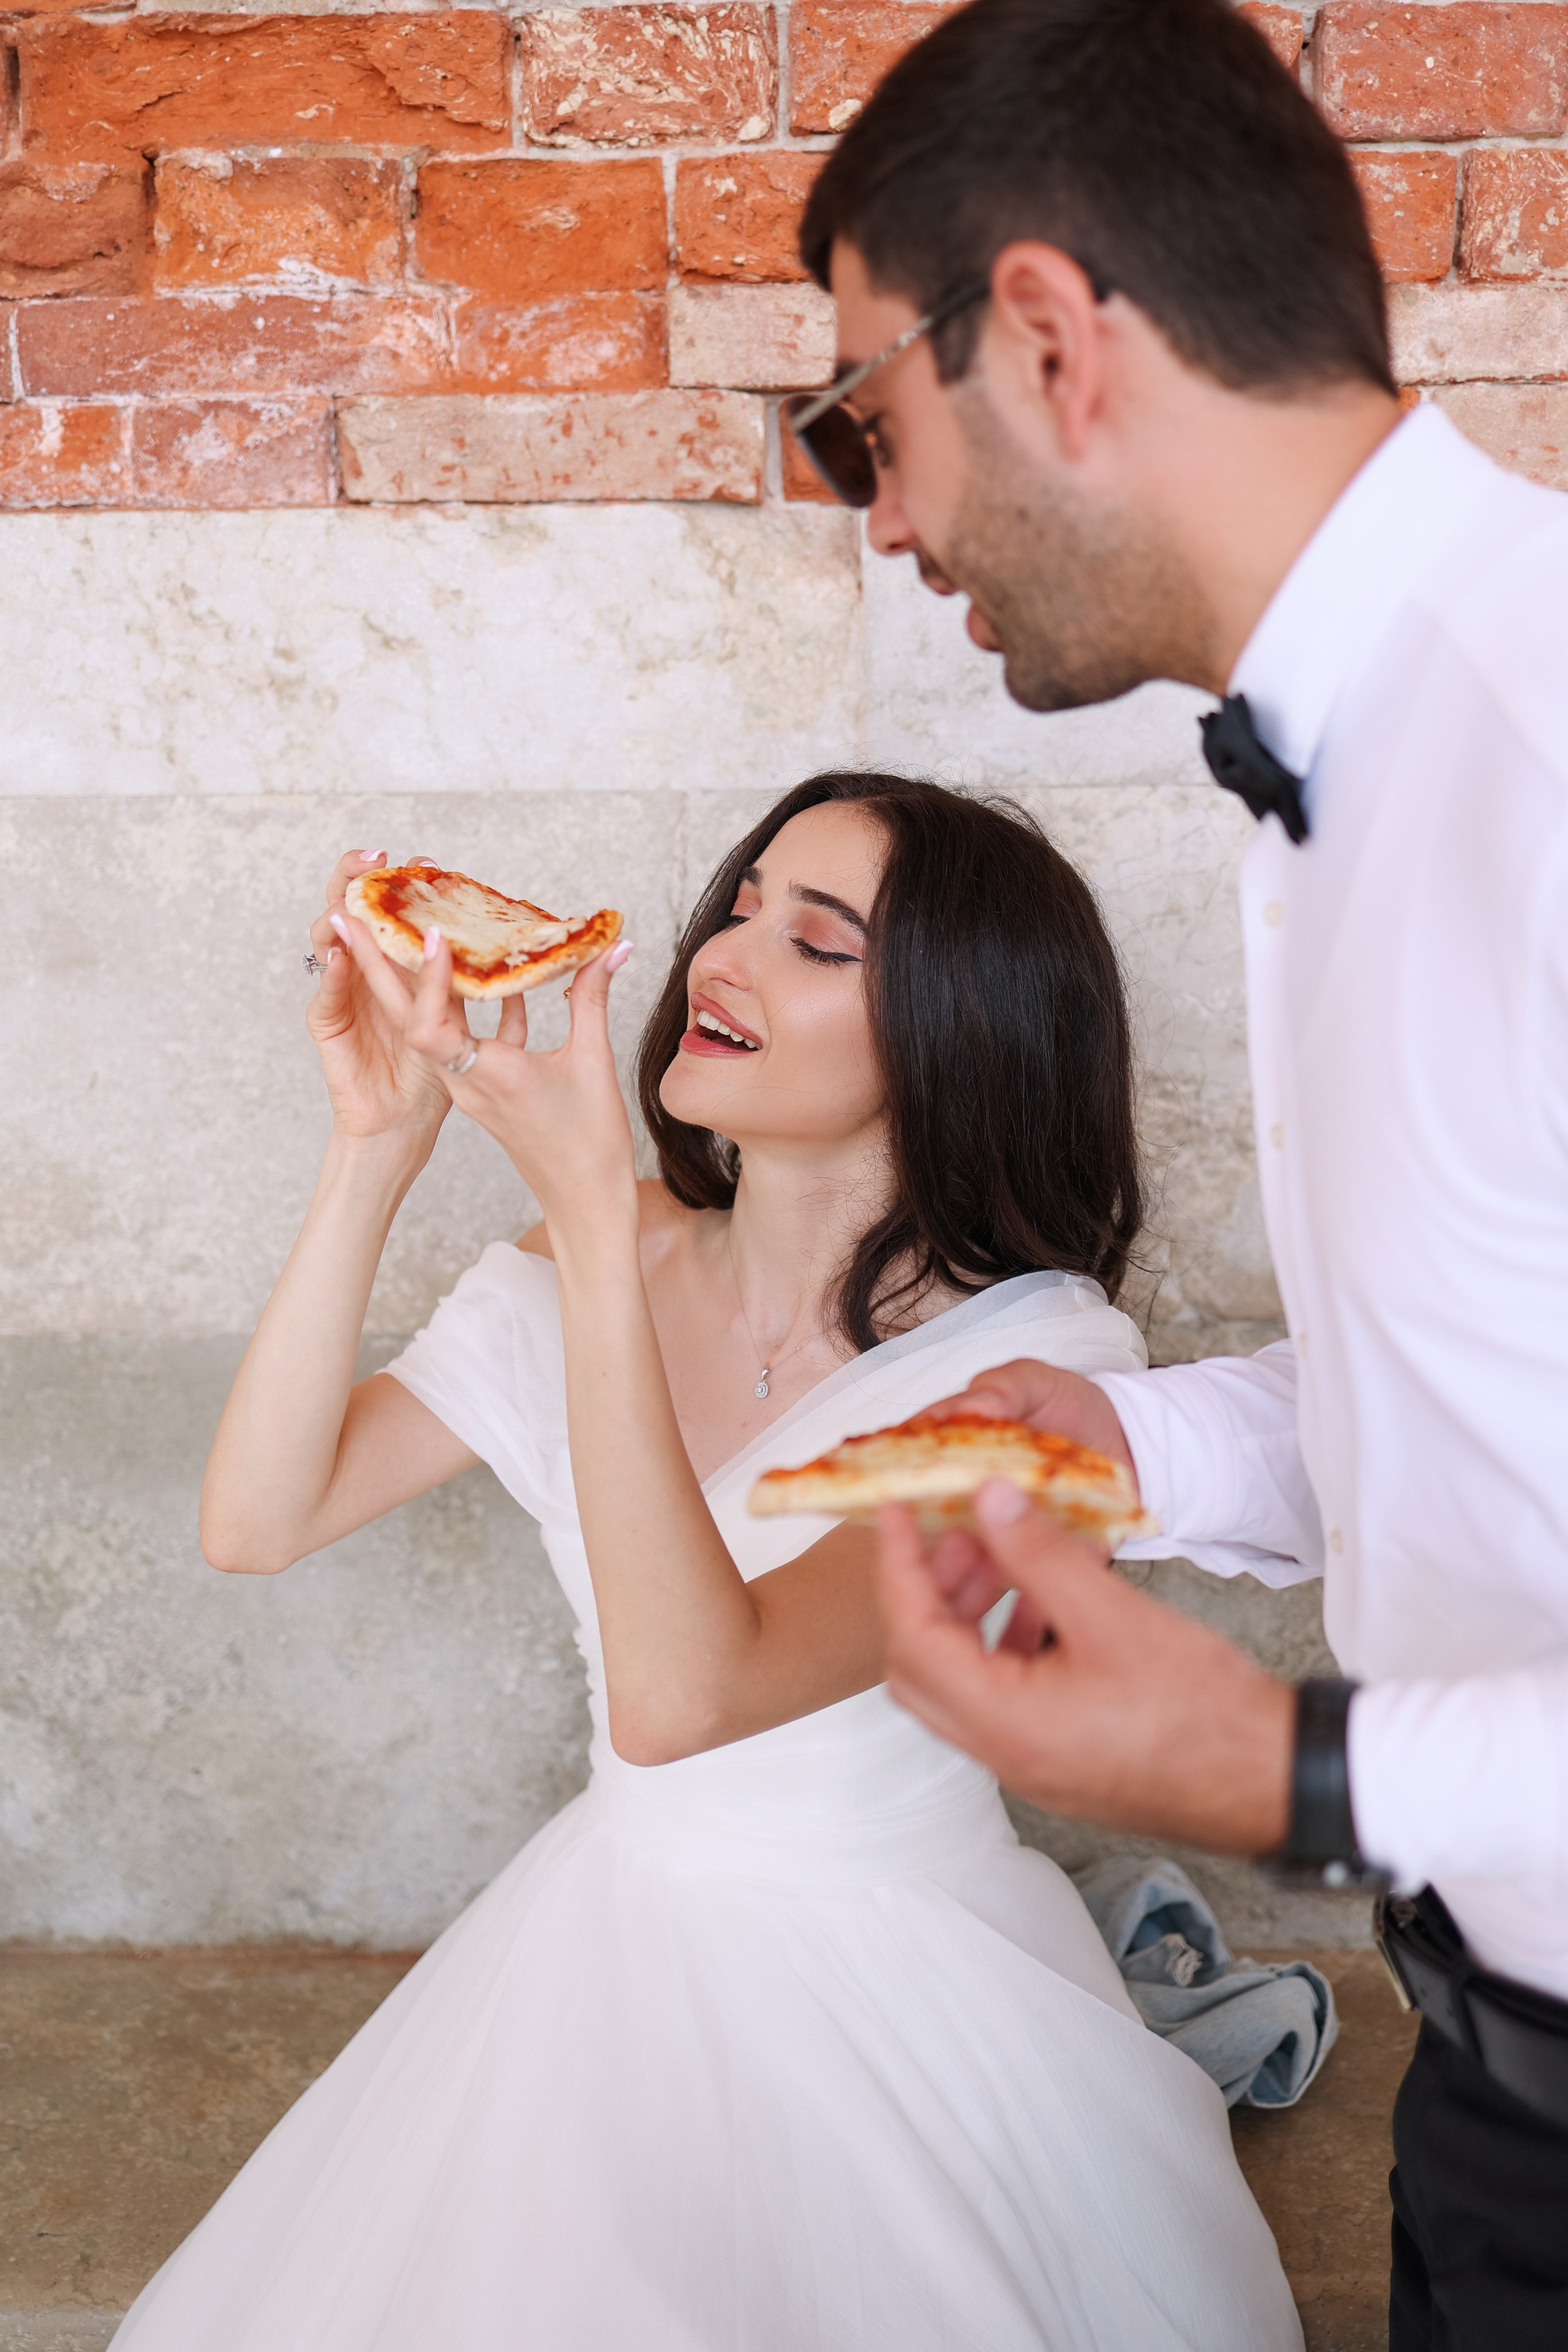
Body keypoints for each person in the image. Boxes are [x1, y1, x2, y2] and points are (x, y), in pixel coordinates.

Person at [110, 774, 1302, 2351]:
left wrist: (596, 1218)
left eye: (816, 944)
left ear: (958, 1031)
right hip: (593, 1933)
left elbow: (686, 1693)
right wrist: (373, 1147)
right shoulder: (585, 1262)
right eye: (738, 906)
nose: (724, 958)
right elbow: (255, 1521)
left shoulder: (1044, 1369)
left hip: (902, 1979)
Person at [785, 1, 1568, 2344]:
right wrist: (1129, 1437)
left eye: (860, 425)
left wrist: (1268, 1762)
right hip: (1493, 2073)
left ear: (1040, 335)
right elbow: (1480, 1391)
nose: (884, 515)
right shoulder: (1339, 759)